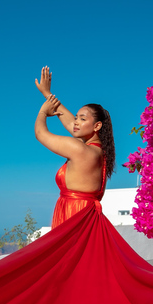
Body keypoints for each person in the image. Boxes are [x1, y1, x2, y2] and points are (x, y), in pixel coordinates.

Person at [34, 65, 115, 227]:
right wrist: (47, 94)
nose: (76, 122)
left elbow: (41, 134)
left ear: (97, 126)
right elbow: (72, 124)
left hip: (74, 215)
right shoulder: (97, 151)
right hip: (85, 214)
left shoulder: (79, 149)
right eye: (77, 117)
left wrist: (43, 112)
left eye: (82, 119)